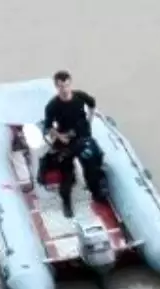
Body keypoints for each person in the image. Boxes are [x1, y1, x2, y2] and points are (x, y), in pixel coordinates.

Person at [39, 70, 106, 217]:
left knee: (91, 167)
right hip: (66, 142)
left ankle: (97, 194)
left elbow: (92, 104)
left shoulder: (80, 96)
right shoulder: (52, 106)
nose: (64, 89)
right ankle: (67, 204)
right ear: (56, 87)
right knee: (67, 175)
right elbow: (48, 127)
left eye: (66, 85)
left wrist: (90, 119)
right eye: (60, 86)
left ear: (70, 83)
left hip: (83, 138)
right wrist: (60, 136)